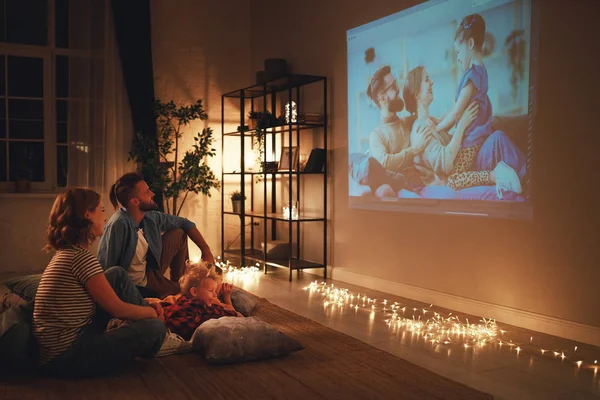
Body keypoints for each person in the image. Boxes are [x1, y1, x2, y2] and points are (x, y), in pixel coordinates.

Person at [32, 188, 187, 378]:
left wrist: (146, 303)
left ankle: (155, 332)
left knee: (116, 274)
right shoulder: (80, 259)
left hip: (72, 340)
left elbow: (109, 297)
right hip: (67, 356)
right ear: (87, 214)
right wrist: (152, 314)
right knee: (154, 328)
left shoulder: (69, 253)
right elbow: (118, 309)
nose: (105, 217)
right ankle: (159, 337)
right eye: (101, 210)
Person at [403, 66, 526, 199]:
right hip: (450, 183)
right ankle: (523, 184)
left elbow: (453, 114)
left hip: (462, 171)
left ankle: (526, 176)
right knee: (501, 192)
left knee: (497, 139)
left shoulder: (430, 122)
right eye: (426, 80)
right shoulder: (420, 129)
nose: (431, 82)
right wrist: (462, 125)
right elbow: (444, 164)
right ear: (416, 93)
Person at [433, 14, 522, 195]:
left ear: (470, 44)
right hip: (479, 135)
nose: (457, 58)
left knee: (452, 181)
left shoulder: (471, 78)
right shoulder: (481, 71)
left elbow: (457, 113)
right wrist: (438, 120)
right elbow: (457, 106)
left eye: (458, 52)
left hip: (471, 140)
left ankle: (494, 175)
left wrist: (436, 130)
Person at [98, 172, 215, 298]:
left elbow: (185, 223)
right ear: (135, 201)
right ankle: (175, 291)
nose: (153, 194)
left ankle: (180, 281)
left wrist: (206, 250)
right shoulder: (118, 224)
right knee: (191, 293)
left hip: (150, 272)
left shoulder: (149, 217)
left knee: (179, 233)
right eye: (147, 192)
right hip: (135, 285)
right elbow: (106, 269)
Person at [367, 65, 432, 189]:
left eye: (396, 83)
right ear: (382, 98)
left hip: (424, 183)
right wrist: (414, 150)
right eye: (393, 87)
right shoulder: (376, 135)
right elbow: (384, 163)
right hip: (405, 190)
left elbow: (430, 121)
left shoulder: (407, 122)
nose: (398, 89)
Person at [159, 261, 242, 341]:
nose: (215, 295)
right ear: (194, 292)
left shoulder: (185, 299)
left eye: (215, 292)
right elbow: (220, 312)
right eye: (211, 291)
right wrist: (235, 314)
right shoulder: (198, 305)